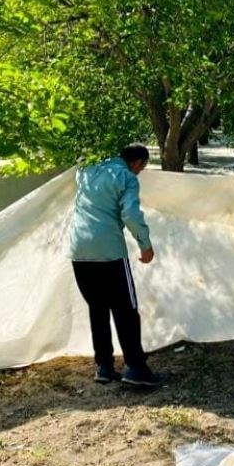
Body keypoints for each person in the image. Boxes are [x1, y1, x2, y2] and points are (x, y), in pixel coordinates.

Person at [69, 144, 160, 386]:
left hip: (78, 250)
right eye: (143, 168)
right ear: (138, 163)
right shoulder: (126, 177)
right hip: (109, 252)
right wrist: (145, 244)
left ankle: (104, 367)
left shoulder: (86, 171)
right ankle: (136, 368)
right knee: (125, 310)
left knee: (97, 308)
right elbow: (130, 214)